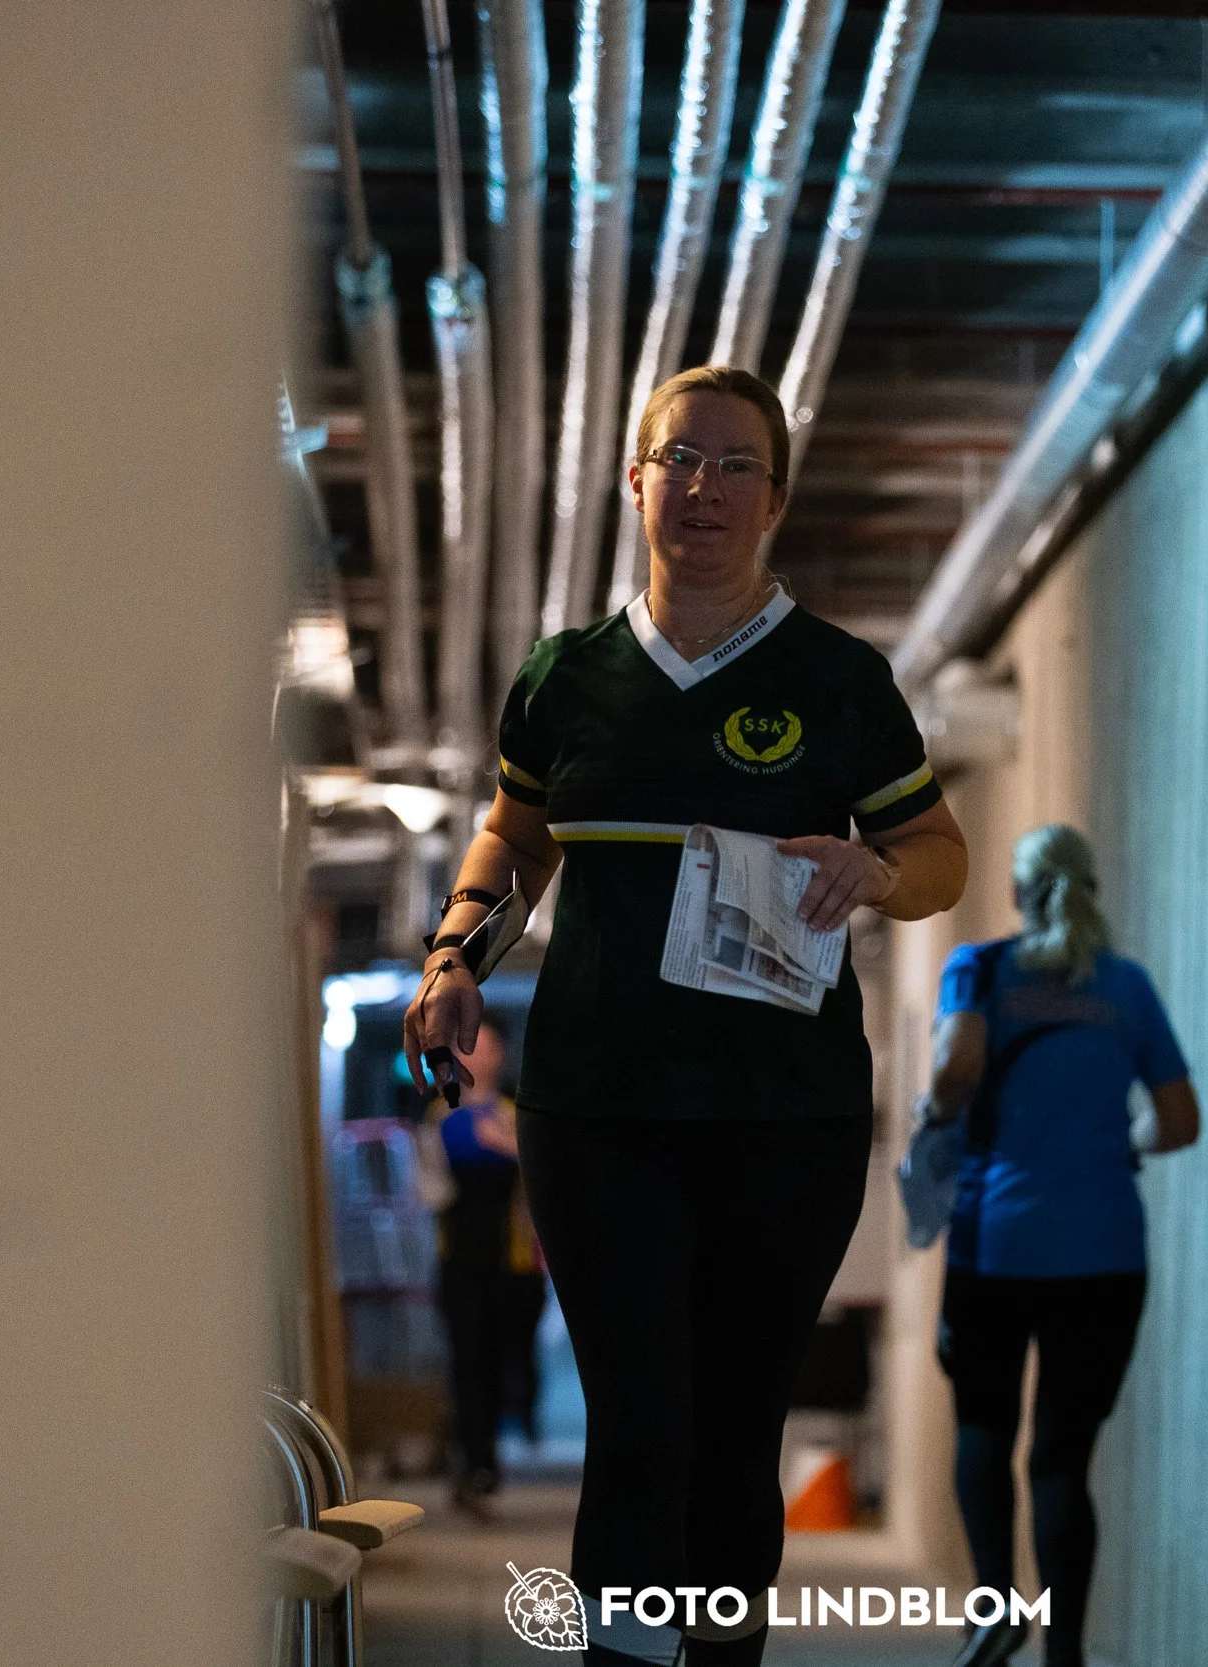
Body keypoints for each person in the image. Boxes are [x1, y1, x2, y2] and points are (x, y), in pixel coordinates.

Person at [404, 364, 968, 1667]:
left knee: (730, 1430)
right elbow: (516, 836)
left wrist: (880, 874)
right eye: (681, 459)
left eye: (735, 465)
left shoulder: (838, 680)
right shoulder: (567, 678)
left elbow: (938, 850)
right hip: (597, 1108)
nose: (704, 487)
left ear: (773, 498)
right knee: (640, 1420)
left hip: (787, 1114)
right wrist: (453, 955)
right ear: (635, 479)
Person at [921, 826, 1200, 1667]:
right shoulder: (1126, 986)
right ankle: (1067, 1652)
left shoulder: (981, 968)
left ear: (1018, 892)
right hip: (1107, 1253)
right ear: (1090, 887)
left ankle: (997, 1607)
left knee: (983, 1424)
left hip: (996, 1244)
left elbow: (953, 1074)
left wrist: (935, 1118)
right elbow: (1178, 1120)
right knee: (1061, 1457)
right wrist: (1117, 1142)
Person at [423, 1017, 547, 1521]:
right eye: (466, 1047)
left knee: (508, 1359)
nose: (476, 1055)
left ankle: (500, 1434)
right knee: (468, 1359)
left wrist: (510, 1148)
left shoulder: (520, 1117)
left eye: (485, 1046)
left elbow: (549, 1183)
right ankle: (478, 1463)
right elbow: (428, 1190)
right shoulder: (438, 1117)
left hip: (515, 1263)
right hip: (461, 1261)